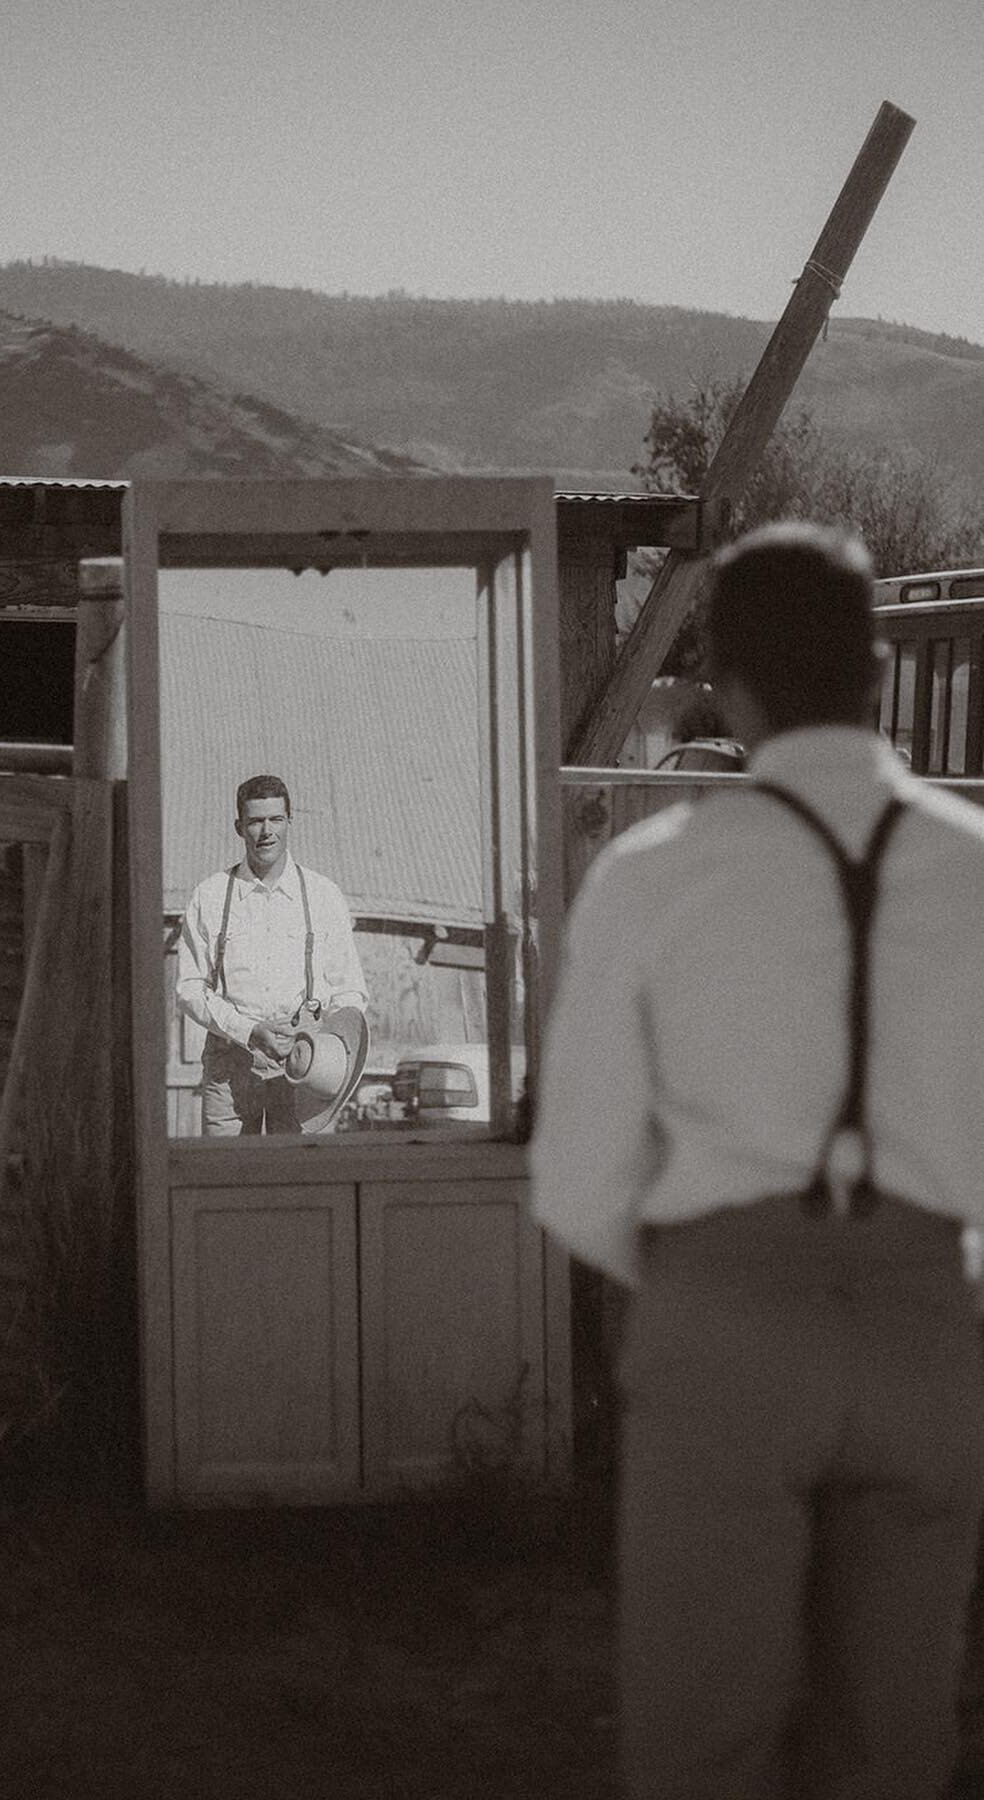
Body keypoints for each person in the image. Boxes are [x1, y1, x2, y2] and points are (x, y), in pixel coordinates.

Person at [531, 521, 984, 1799]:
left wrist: (702, 1275)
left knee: (704, 1751)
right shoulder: (978, 871)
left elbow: (576, 1180)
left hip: (723, 1325)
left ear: (725, 686)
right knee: (891, 1752)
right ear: (879, 674)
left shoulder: (654, 875)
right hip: (924, 1327)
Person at [176, 774, 368, 1135]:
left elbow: (350, 991)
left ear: (289, 821)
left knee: (300, 1178)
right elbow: (189, 988)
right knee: (226, 1178)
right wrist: (249, 1030)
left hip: (304, 1063)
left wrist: (320, 1044)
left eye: (276, 819)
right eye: (255, 821)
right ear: (239, 826)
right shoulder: (211, 896)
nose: (267, 831)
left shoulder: (323, 894)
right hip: (231, 1063)